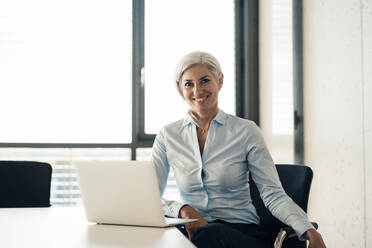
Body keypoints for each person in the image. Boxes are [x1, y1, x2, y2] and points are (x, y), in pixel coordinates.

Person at [151, 51, 326, 248]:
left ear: (220, 81)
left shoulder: (245, 131)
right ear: (180, 90)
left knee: (211, 234)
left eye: (205, 81)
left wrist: (309, 230)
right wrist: (182, 209)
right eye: (188, 84)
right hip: (192, 230)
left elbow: (272, 193)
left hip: (241, 235)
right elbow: (149, 197)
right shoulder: (168, 136)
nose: (197, 90)